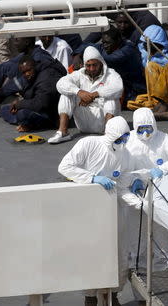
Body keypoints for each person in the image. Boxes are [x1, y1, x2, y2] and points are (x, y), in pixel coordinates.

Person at [58, 116, 142, 306]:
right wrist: (92, 178)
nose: (123, 142)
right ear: (111, 135)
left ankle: (112, 294)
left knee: (117, 253)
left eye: (126, 138)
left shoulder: (125, 155)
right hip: (87, 210)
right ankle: (90, 296)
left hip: (113, 210)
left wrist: (135, 197)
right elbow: (65, 167)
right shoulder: (88, 144)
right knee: (89, 252)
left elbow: (121, 184)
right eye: (119, 139)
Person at [0, 37, 66, 118]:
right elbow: (0, 68)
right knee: (9, 70)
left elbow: (20, 83)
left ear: (27, 42)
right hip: (30, 94)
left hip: (44, 103)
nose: (14, 43)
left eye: (17, 40)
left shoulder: (40, 58)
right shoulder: (24, 55)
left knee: (16, 114)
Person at [48, 46, 123, 144]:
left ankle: (109, 134)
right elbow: (60, 84)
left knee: (111, 98)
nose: (91, 69)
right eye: (88, 65)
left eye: (94, 65)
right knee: (66, 94)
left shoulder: (111, 74)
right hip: (84, 123)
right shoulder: (79, 74)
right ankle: (63, 132)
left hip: (103, 122)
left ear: (101, 62)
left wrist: (95, 95)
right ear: (84, 65)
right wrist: (79, 92)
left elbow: (118, 87)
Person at [74, 27, 146, 104]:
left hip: (133, 89)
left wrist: (90, 55)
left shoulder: (128, 49)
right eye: (103, 42)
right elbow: (87, 46)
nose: (105, 46)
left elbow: (111, 59)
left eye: (108, 43)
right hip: (120, 84)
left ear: (118, 41)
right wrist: (77, 55)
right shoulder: (106, 46)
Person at [0, 55, 63, 132]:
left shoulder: (46, 78)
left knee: (22, 114)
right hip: (39, 107)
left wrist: (19, 104)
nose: (27, 74)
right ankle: (26, 123)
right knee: (5, 109)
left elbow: (41, 104)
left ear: (35, 66)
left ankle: (30, 124)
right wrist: (18, 104)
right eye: (24, 72)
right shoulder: (33, 75)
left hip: (53, 114)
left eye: (29, 70)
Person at [126, 107, 168, 179]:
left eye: (148, 128)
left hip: (160, 181)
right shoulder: (128, 140)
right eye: (141, 129)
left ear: (153, 125)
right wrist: (132, 180)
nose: (145, 133)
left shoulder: (164, 139)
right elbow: (121, 161)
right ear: (135, 127)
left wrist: (163, 169)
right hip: (136, 183)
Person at [83, 10, 161, 46]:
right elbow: (101, 28)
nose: (122, 25)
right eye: (119, 22)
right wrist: (80, 51)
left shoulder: (144, 22)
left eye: (125, 22)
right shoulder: (114, 10)